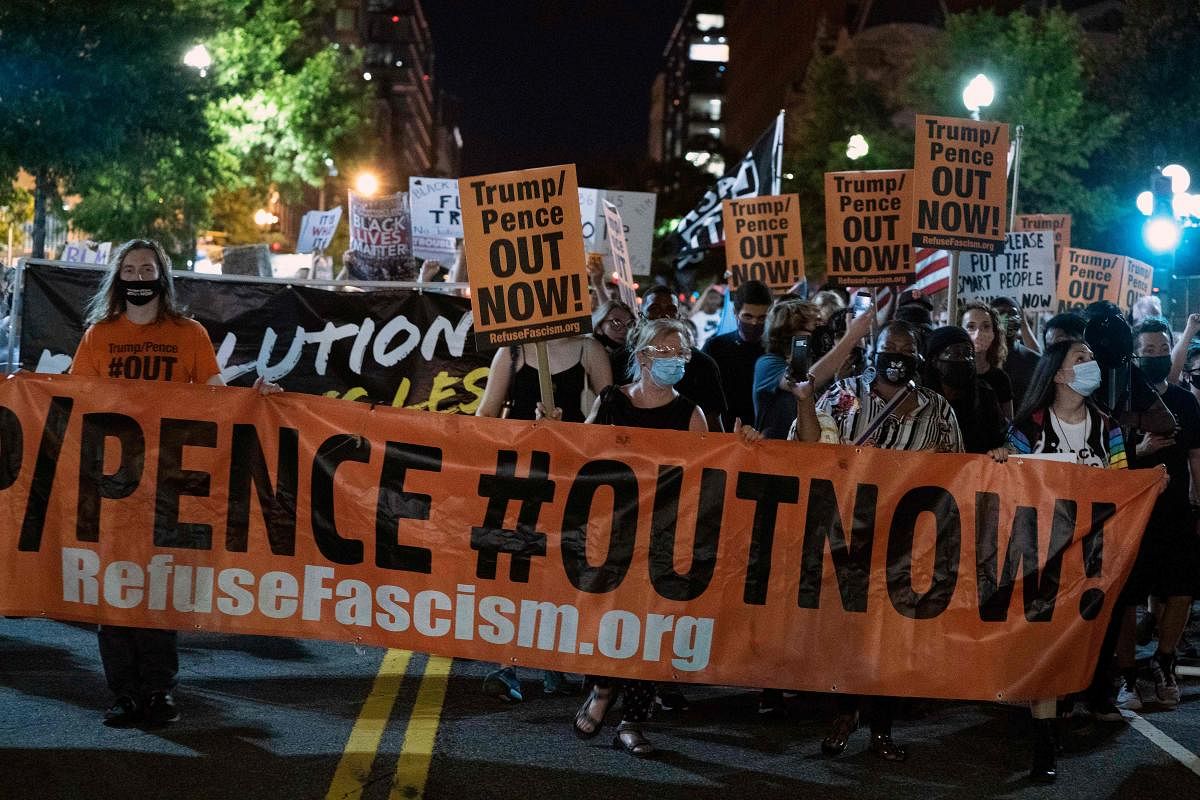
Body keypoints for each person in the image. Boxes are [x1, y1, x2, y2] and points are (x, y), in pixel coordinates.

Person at [69, 239, 281, 728]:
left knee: (158, 584)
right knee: (117, 586)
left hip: (169, 480)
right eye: (129, 268)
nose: (138, 275)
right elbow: (75, 398)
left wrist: (254, 400)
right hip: (115, 480)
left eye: (147, 268)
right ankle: (124, 692)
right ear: (117, 278)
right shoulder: (99, 336)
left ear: (162, 276)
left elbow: (215, 399)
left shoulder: (190, 335)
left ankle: (159, 690)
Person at [571, 318, 760, 755]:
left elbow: (709, 474)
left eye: (682, 353)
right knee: (609, 616)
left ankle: (633, 720)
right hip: (615, 531)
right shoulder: (611, 401)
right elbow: (580, 451)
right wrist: (554, 426)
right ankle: (602, 688)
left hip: (665, 537)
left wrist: (741, 447)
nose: (676, 360)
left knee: (655, 624)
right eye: (667, 351)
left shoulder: (690, 414)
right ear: (642, 357)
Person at [799, 321, 963, 763]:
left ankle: (882, 728)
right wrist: (803, 402)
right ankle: (846, 710)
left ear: (919, 358)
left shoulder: (935, 409)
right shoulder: (844, 394)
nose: (896, 354)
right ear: (874, 349)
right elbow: (810, 446)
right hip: (848, 530)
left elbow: (958, 471)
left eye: (906, 349)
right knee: (849, 629)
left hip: (906, 536)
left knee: (890, 634)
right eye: (889, 347)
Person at [1000, 339, 1127, 782]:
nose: (1091, 363)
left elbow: (1123, 481)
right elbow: (1004, 480)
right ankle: (1043, 749)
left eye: (1092, 356)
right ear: (1057, 373)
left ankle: (1054, 722)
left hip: (1091, 558)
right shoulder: (1029, 425)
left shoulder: (1107, 426)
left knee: (1073, 644)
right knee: (1046, 645)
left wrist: (1150, 483)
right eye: (1081, 358)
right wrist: (1001, 460)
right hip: (1042, 556)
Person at [475, 336, 612, 700]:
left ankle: (553, 663)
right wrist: (529, 432)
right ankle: (507, 665)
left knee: (559, 571)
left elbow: (614, 415)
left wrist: (571, 432)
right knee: (515, 570)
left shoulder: (590, 350)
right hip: (522, 479)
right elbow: (486, 416)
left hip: (573, 479)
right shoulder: (513, 351)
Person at [1114, 320, 1200, 711]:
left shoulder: (1185, 401)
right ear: (1134, 356)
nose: (1156, 356)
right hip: (1134, 511)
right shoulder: (1121, 401)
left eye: (1162, 348)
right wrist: (1142, 451)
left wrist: (1198, 495)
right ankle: (1128, 675)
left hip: (1176, 511)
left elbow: (1196, 453)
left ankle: (1165, 662)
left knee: (1181, 587)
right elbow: (1108, 459)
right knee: (1129, 596)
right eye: (1147, 351)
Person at [624, 285, 728, 432]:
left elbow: (713, 425)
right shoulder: (621, 360)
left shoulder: (702, 364)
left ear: (679, 317)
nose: (663, 316)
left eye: (671, 311)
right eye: (654, 309)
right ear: (641, 315)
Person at [922, 326, 1008, 456]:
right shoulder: (920, 398)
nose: (963, 360)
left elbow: (999, 441)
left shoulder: (985, 395)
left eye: (968, 354)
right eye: (956, 354)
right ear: (934, 360)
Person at [702, 280, 772, 430]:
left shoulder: (778, 349)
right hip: (726, 436)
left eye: (761, 318)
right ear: (735, 313)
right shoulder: (715, 347)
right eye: (748, 317)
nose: (754, 323)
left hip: (768, 437)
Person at [752, 299, 823, 439]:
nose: (819, 334)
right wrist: (851, 337)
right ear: (792, 332)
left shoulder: (816, 361)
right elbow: (802, 380)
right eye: (814, 328)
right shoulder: (767, 364)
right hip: (775, 454)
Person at [962, 302, 1013, 419]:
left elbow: (1008, 425)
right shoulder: (952, 374)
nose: (978, 333)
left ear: (994, 333)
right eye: (971, 326)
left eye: (986, 326)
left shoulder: (1001, 378)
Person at [990, 297, 1041, 409]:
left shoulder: (1033, 360)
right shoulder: (981, 357)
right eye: (1002, 313)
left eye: (1013, 313)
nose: (1009, 318)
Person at [591, 300, 637, 384]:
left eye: (629, 325)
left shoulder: (631, 360)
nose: (624, 330)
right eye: (616, 323)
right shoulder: (587, 353)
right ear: (599, 326)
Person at [689, 284, 724, 348]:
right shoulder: (696, 319)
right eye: (711, 298)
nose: (713, 301)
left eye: (716, 298)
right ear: (706, 300)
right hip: (703, 352)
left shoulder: (723, 315)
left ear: (720, 300)